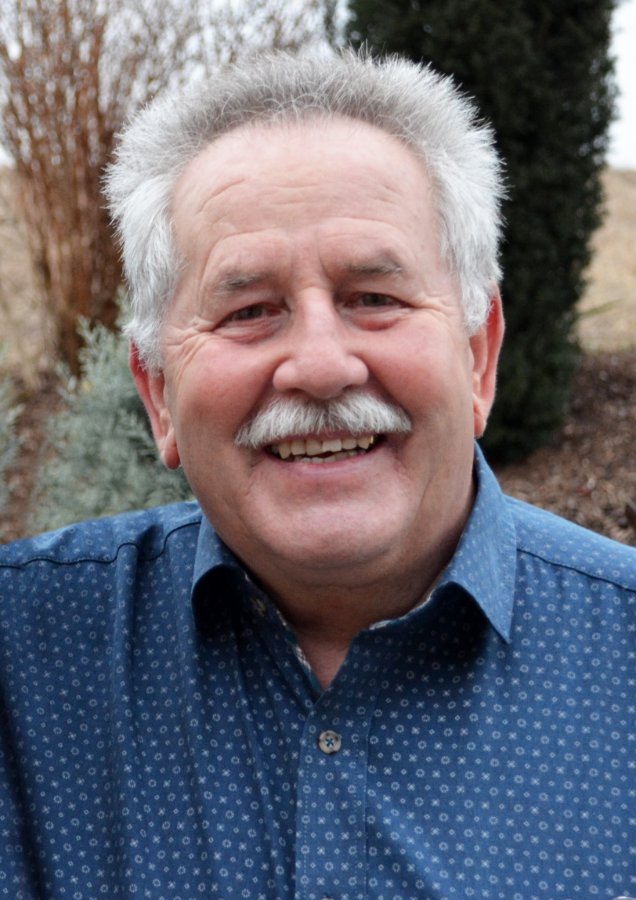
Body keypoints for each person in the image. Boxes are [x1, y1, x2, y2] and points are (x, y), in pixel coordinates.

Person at [0, 50, 634, 900]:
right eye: (249, 310)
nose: (322, 366)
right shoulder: (22, 664)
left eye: (375, 299)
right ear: (158, 396)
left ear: (479, 356)